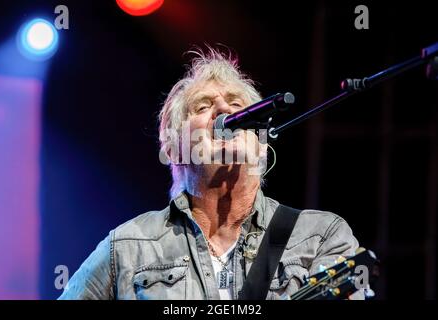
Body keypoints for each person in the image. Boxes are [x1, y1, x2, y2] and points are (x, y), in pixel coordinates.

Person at [59, 47, 363, 300]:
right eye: (203, 106)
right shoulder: (127, 247)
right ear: (173, 147)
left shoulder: (319, 236)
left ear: (260, 143)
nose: (223, 110)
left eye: (235, 104)